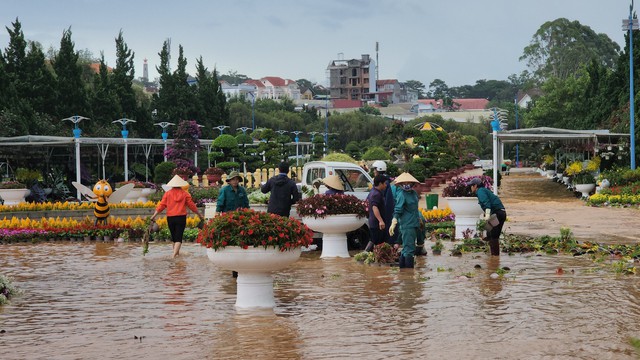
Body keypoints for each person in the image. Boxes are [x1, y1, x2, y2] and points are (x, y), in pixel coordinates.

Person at [150, 175, 204, 258]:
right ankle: (174, 255)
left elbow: (161, 206)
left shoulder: (167, 194)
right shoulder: (185, 194)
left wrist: (154, 215)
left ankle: (176, 254)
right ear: (181, 184)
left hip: (170, 218)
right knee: (179, 237)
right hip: (181, 217)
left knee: (174, 237)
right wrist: (199, 214)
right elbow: (192, 206)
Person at [389, 172, 421, 269]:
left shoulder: (414, 193)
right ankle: (409, 276)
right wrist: (394, 221)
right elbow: (398, 209)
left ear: (412, 183)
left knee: (406, 248)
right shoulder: (402, 195)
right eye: (404, 183)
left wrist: (419, 219)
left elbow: (415, 208)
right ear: (400, 184)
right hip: (407, 225)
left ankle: (403, 273)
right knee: (409, 249)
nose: (407, 185)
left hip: (414, 222)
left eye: (409, 183)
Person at [467, 177, 506, 256]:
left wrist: (487, 215)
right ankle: (493, 258)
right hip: (501, 213)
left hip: (496, 214)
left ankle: (494, 258)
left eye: (471, 185)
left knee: (493, 236)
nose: (470, 187)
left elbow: (486, 203)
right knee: (491, 234)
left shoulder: (480, 191)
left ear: (475, 186)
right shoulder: (484, 190)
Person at [371, 160, 395, 245]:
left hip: (384, 213)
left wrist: (381, 219)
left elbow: (377, 205)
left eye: (375, 170)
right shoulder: (386, 180)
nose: (374, 171)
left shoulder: (384, 183)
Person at [364, 174, 387, 252]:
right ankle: (366, 255)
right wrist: (380, 220)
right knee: (376, 242)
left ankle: (369, 257)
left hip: (374, 221)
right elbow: (374, 207)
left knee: (376, 241)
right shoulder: (376, 194)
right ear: (380, 184)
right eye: (384, 183)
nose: (386, 185)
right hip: (376, 223)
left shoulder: (373, 192)